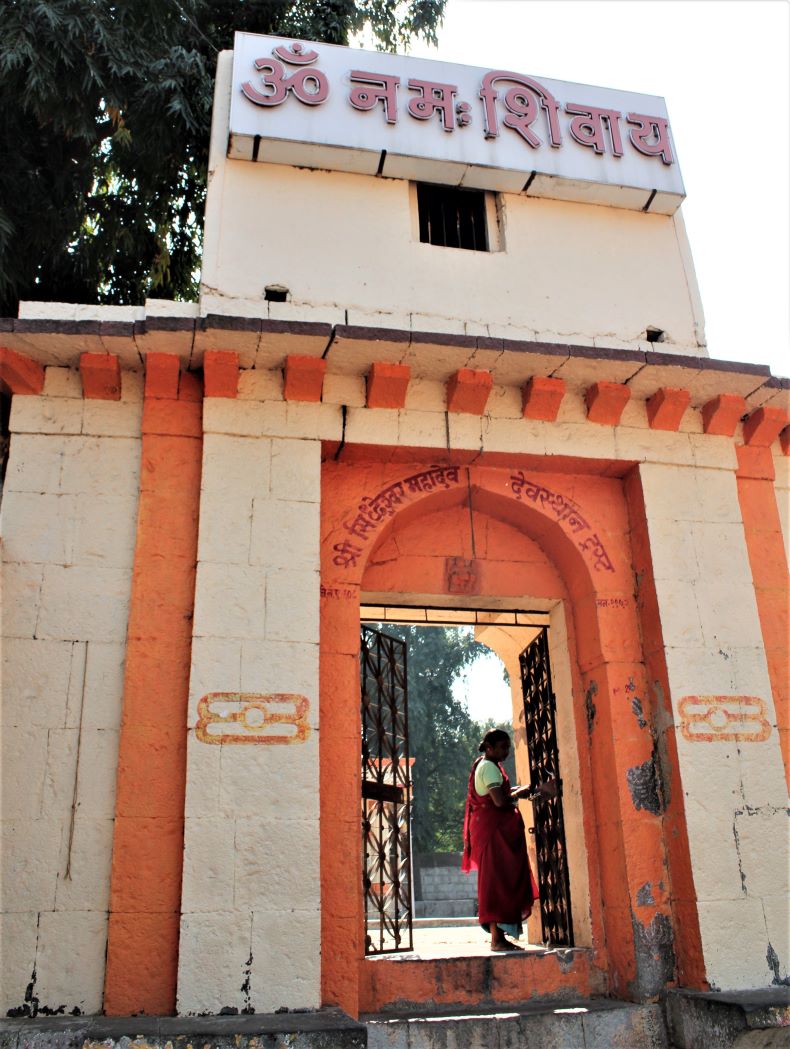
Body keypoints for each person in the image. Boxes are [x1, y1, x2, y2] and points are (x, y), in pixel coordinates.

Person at [461, 728, 546, 952]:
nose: (506, 751)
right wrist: (520, 793)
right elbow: (499, 802)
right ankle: (497, 939)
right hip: (493, 834)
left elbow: (499, 794)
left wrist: (520, 791)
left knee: (499, 882)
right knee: (496, 883)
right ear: (489, 748)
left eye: (507, 747)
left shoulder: (489, 765)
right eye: (503, 747)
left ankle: (500, 937)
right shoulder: (488, 767)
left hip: (492, 832)